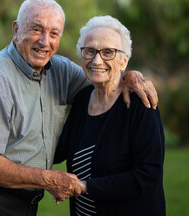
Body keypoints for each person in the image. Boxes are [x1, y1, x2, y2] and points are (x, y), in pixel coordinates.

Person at [0, 0, 158, 216]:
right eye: (37, 29)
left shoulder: (61, 70)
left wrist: (130, 75)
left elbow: (104, 77)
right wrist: (49, 179)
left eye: (54, 33)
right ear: (16, 29)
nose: (45, 41)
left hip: (25, 199)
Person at [54, 15, 165, 216]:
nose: (97, 60)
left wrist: (85, 186)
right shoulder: (81, 101)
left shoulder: (141, 104)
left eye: (108, 52)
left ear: (124, 61)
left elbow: (148, 176)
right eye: (90, 51)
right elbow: (58, 151)